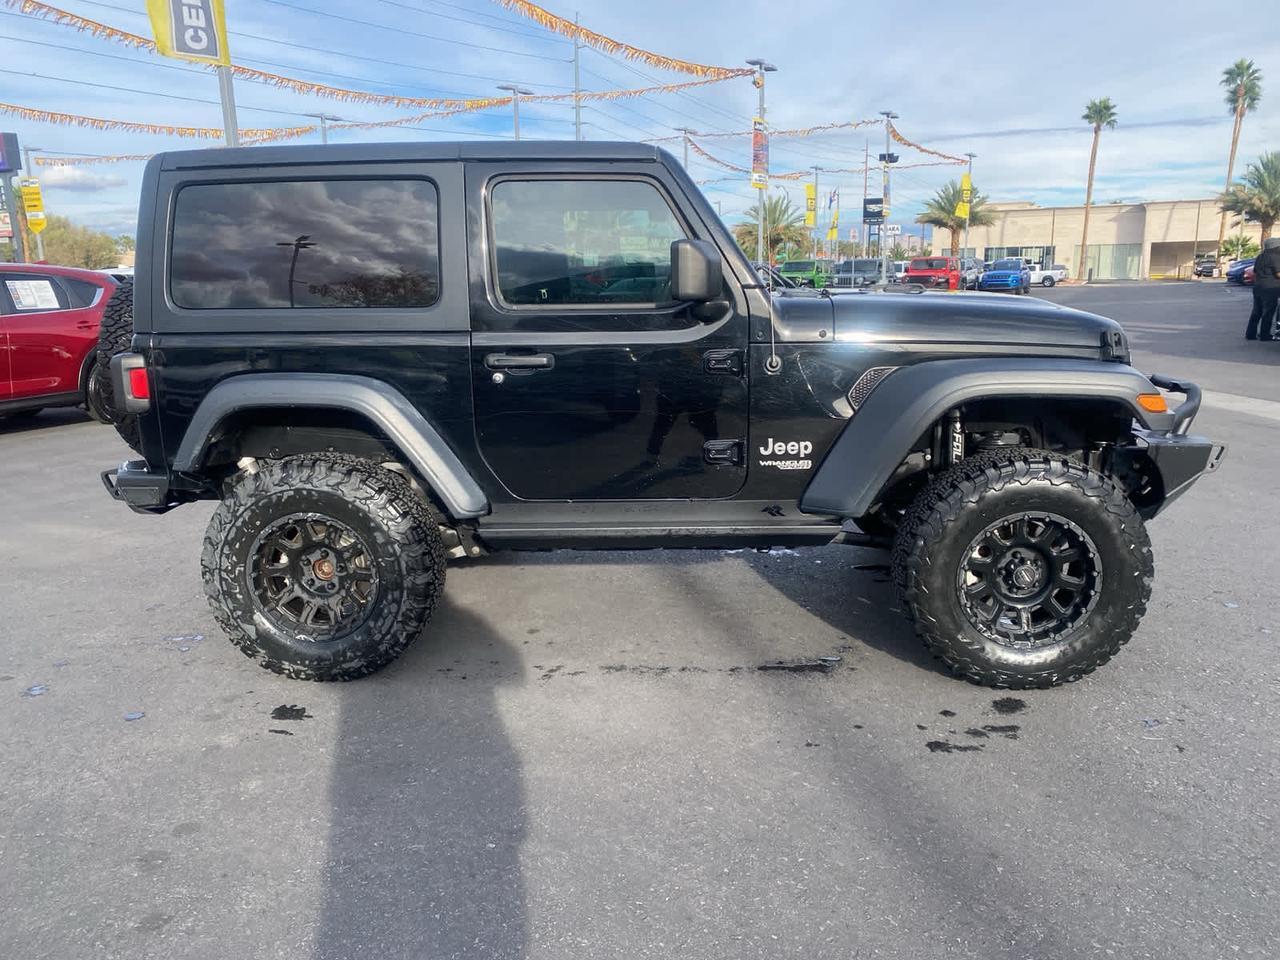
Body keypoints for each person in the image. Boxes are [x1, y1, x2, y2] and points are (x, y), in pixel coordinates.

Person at [1246, 237, 1280, 341]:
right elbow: (1278, 273)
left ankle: (1250, 334)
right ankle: (1265, 335)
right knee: (1268, 312)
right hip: (1270, 288)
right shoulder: (1275, 257)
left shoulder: (1260, 256)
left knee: (1257, 311)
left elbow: (1255, 271)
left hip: (1258, 287)